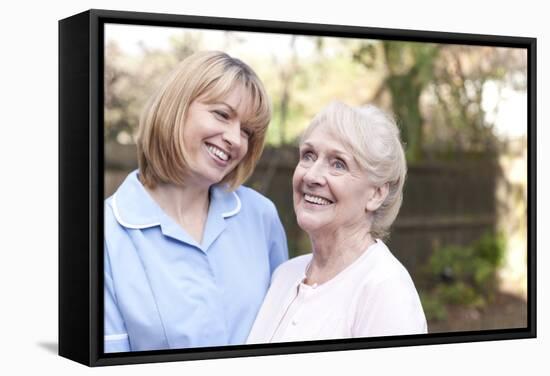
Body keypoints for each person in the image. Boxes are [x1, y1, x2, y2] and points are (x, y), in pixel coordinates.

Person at [104, 51, 289, 352]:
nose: (235, 139)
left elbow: (284, 334)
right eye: (222, 114)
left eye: (247, 131)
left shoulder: (261, 216)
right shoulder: (105, 236)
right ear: (176, 107)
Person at [247, 101, 427, 343]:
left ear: (376, 194)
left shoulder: (385, 290)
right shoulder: (284, 275)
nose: (311, 176)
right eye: (308, 156)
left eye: (338, 164)